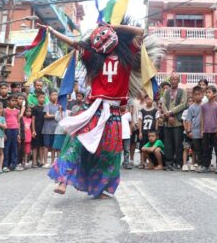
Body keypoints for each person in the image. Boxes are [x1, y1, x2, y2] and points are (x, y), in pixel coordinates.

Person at [44, 20, 144, 197]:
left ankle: (100, 188)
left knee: (110, 152)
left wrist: (115, 27)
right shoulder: (93, 58)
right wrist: (52, 31)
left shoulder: (127, 55)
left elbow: (140, 31)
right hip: (95, 110)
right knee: (77, 141)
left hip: (113, 114)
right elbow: (74, 43)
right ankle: (63, 179)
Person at [161, 73, 187, 171]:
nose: (173, 81)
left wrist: (171, 112)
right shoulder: (166, 91)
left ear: (178, 81)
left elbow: (183, 104)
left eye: (175, 79)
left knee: (178, 143)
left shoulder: (182, 91)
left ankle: (178, 162)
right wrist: (167, 115)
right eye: (171, 79)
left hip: (178, 122)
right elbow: (163, 104)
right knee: (168, 143)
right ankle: (169, 163)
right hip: (167, 122)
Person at [198, 85, 217, 173]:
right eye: (206, 92)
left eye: (209, 92)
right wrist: (202, 129)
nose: (207, 94)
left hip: (215, 131)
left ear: (214, 94)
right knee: (206, 149)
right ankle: (205, 165)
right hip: (206, 131)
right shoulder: (203, 106)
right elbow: (202, 118)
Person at [185, 86, 203, 171]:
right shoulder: (191, 107)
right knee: (196, 148)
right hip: (195, 131)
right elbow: (188, 120)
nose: (197, 96)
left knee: (204, 147)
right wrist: (189, 131)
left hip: (204, 131)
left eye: (199, 94)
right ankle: (197, 163)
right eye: (195, 95)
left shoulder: (205, 105)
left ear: (202, 95)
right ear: (193, 95)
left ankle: (204, 164)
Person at [3, 95, 21, 172]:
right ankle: (5, 165)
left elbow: (18, 122)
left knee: (15, 147)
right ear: (8, 101)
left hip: (15, 130)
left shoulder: (17, 111)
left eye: (15, 101)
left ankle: (14, 164)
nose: (14, 102)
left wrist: (19, 134)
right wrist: (3, 133)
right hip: (7, 130)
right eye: (12, 100)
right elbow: (3, 121)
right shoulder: (4, 110)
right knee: (6, 148)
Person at [42, 90, 59, 168]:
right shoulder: (47, 105)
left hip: (56, 129)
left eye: (56, 95)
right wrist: (56, 115)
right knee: (46, 146)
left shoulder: (59, 106)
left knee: (54, 146)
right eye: (53, 95)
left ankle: (52, 162)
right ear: (49, 96)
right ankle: (45, 162)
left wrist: (53, 115)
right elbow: (46, 116)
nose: (54, 96)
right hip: (47, 129)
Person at [31, 92, 46, 168]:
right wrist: (33, 130)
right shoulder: (34, 108)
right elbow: (33, 119)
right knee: (35, 146)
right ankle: (34, 161)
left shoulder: (45, 108)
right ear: (37, 98)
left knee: (41, 146)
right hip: (36, 129)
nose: (42, 99)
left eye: (44, 97)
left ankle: (41, 161)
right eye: (41, 97)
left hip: (43, 129)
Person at [181, 97, 194, 171]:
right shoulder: (185, 111)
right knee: (186, 148)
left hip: (195, 133)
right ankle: (184, 164)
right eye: (189, 101)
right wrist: (187, 131)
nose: (191, 102)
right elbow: (184, 122)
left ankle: (193, 164)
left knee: (194, 149)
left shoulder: (197, 110)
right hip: (186, 133)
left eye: (192, 101)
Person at [120, 105, 133, 170]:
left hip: (126, 134)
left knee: (127, 149)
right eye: (122, 105)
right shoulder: (116, 113)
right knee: (118, 150)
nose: (123, 106)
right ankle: (117, 163)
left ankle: (126, 163)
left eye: (124, 105)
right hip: (118, 134)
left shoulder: (128, 114)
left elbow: (130, 123)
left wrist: (130, 131)